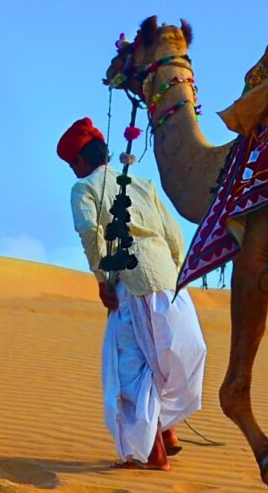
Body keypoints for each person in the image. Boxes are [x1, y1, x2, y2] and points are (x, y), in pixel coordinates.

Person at [60, 117, 205, 470]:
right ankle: (166, 431)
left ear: (78, 162)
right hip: (170, 282)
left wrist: (101, 281)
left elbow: (91, 234)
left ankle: (152, 454)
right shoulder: (142, 184)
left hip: (133, 282)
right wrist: (174, 273)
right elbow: (174, 237)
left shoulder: (85, 188)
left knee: (129, 368)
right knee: (164, 359)